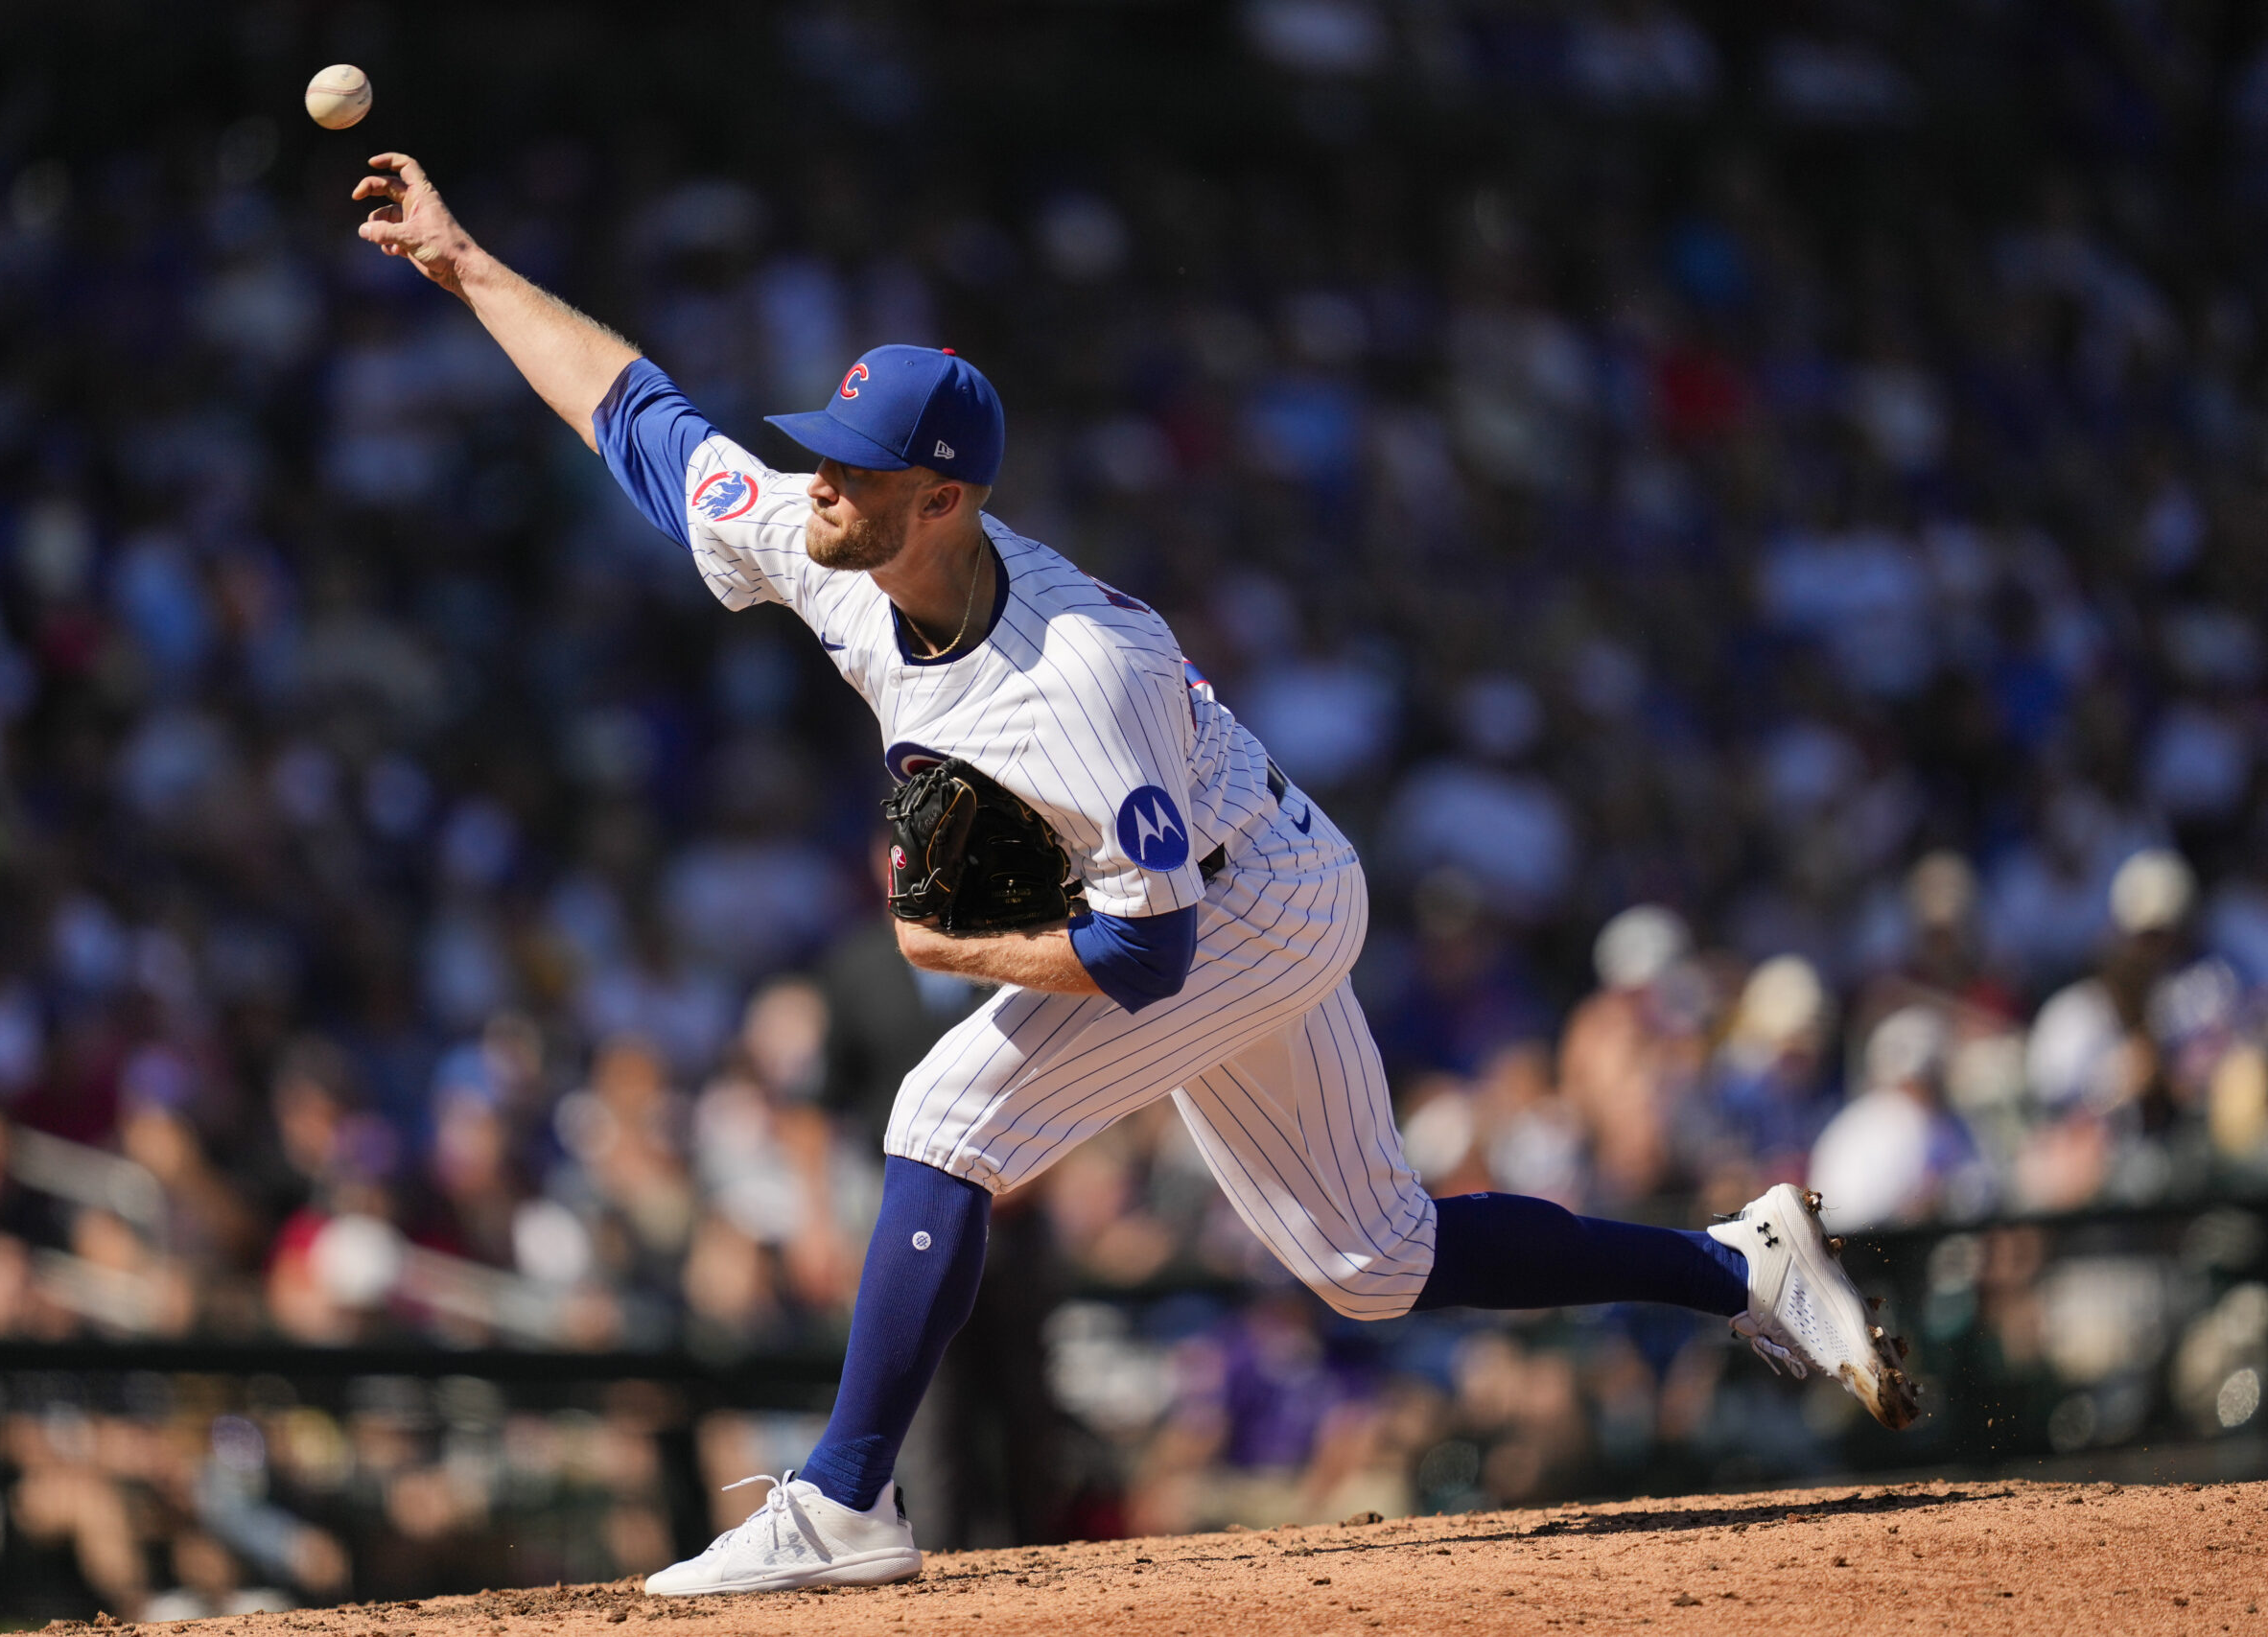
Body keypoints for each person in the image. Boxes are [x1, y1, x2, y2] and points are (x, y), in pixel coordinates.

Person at [345, 152, 1916, 1595]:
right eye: (819, 454)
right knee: (1376, 1265)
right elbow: (638, 416)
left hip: (1249, 902)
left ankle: (843, 1503)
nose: (813, 480)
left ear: (944, 500)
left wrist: (971, 956)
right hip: (1229, 879)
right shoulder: (831, 545)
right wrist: (469, 261)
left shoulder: (1072, 677)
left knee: (942, 1114)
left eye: (852, 466)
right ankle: (1739, 1265)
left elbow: (1150, 961)